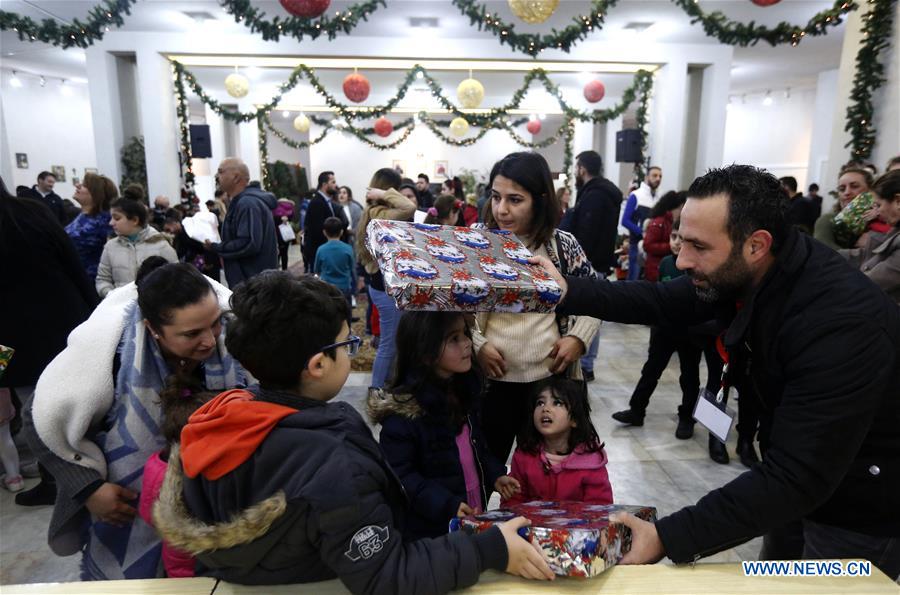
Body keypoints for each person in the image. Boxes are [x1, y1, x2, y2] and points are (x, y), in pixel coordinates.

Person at [532, 164, 900, 579]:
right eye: (681, 240)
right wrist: (568, 290)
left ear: (756, 245)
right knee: (775, 583)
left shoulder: (840, 321)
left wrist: (668, 536)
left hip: (861, 509)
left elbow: (798, 476)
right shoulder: (754, 272)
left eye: (698, 246)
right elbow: (658, 301)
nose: (682, 259)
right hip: (796, 491)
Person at [151, 273, 554, 591]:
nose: (351, 350)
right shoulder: (336, 467)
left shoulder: (220, 420)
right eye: (347, 343)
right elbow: (388, 575)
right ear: (318, 365)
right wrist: (489, 549)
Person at [23, 260, 245, 580]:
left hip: (218, 507)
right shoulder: (106, 353)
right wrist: (88, 488)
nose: (210, 341)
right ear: (152, 328)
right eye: (191, 334)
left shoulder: (234, 334)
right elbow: (39, 417)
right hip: (127, 514)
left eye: (214, 324)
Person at [473, 152, 600, 464]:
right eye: (496, 197)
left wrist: (577, 339)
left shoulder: (562, 246)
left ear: (541, 200)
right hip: (492, 385)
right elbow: (454, 307)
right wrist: (478, 344)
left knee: (548, 476)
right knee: (487, 470)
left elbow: (595, 298)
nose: (501, 209)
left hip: (549, 383)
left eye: (515, 199)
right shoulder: (476, 241)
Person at [368, 312, 520, 540]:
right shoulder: (404, 415)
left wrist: (495, 475)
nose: (468, 343)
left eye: (465, 334)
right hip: (431, 525)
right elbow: (403, 476)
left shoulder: (464, 395)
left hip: (470, 503)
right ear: (425, 352)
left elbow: (477, 447)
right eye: (454, 339)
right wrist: (445, 504)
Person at [0, 180, 98, 505]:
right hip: (65, 322)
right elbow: (73, 265)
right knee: (78, 404)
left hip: (15, 339)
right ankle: (90, 472)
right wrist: (93, 316)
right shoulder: (33, 213)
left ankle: (55, 480)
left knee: (35, 413)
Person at [609, 217, 730, 464]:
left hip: (701, 332)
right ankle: (637, 409)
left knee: (704, 380)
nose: (678, 244)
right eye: (675, 238)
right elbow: (657, 297)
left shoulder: (707, 267)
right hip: (668, 330)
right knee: (652, 370)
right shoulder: (667, 264)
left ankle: (702, 426)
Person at [137, 375, 212, 577]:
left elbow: (149, 514)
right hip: (200, 560)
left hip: (175, 557)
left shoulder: (156, 464)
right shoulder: (201, 474)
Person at [502, 377, 611, 507]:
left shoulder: (591, 463)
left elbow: (599, 511)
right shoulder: (524, 456)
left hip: (577, 527)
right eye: (540, 403)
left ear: (574, 420)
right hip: (530, 526)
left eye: (557, 403)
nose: (546, 408)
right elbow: (513, 500)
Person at [355, 168, 417, 389]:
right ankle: (377, 392)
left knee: (393, 344)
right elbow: (409, 207)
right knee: (389, 345)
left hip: (380, 286)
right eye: (395, 189)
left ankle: (386, 386)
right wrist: (383, 193)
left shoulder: (373, 212)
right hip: (383, 289)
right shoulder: (379, 212)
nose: (398, 193)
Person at [206, 157, 278, 287]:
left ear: (236, 177)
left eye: (221, 172)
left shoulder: (247, 203)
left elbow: (248, 243)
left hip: (252, 284)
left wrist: (216, 247)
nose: (217, 176)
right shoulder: (243, 201)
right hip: (252, 282)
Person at [95, 198, 178, 298]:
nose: (111, 223)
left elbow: (176, 277)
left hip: (154, 307)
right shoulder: (110, 247)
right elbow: (103, 279)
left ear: (134, 220)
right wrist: (111, 294)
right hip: (121, 307)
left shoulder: (161, 244)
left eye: (117, 218)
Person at [840, 169, 900, 303]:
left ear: (898, 201)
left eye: (878, 205)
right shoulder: (895, 230)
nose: (877, 212)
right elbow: (867, 255)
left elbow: (871, 284)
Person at [66, 172, 117, 281]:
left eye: (84, 185)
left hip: (94, 282)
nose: (77, 185)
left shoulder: (106, 220)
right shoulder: (83, 215)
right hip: (75, 278)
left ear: (96, 193)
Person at [813, 166, 873, 249]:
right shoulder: (828, 220)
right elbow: (823, 252)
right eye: (842, 189)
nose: (847, 192)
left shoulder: (883, 220)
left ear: (870, 190)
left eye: (854, 186)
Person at [621, 167, 662, 280]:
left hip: (652, 247)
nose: (658, 178)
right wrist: (642, 232)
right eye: (654, 175)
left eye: (660, 176)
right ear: (646, 177)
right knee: (633, 279)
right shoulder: (636, 195)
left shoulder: (659, 199)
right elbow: (625, 221)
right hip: (636, 245)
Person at [303, 171, 347, 272]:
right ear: (324, 185)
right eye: (333, 182)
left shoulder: (326, 201)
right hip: (319, 252)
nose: (335, 185)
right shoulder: (317, 203)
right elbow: (317, 231)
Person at [314, 216, 356, 321]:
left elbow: (316, 269)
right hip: (344, 287)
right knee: (346, 315)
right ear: (341, 232)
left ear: (324, 232)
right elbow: (352, 268)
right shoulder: (348, 248)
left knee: (329, 315)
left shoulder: (321, 249)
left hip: (327, 288)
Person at [641, 190, 686, 282]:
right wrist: (670, 246)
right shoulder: (659, 222)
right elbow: (647, 245)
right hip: (656, 269)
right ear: (675, 207)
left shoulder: (671, 222)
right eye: (682, 208)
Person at [163, 215, 221, 281]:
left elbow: (206, 243)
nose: (169, 232)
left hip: (209, 261)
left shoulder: (190, 228)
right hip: (199, 264)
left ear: (174, 223)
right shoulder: (180, 234)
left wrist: (208, 262)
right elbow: (181, 251)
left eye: (168, 229)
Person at [273, 198, 296, 271]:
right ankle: (285, 270)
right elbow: (291, 218)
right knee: (285, 254)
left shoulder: (275, 208)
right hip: (286, 234)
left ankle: (276, 271)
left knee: (277, 254)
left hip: (277, 234)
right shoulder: (290, 208)